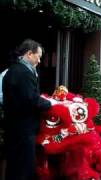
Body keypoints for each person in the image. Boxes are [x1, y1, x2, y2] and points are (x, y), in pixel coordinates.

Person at [2, 39, 53, 180]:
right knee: (24, 167)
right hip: (23, 129)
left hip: (14, 127)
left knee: (15, 165)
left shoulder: (14, 69)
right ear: (29, 54)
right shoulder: (23, 73)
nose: (40, 61)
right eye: (39, 56)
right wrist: (50, 104)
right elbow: (31, 99)